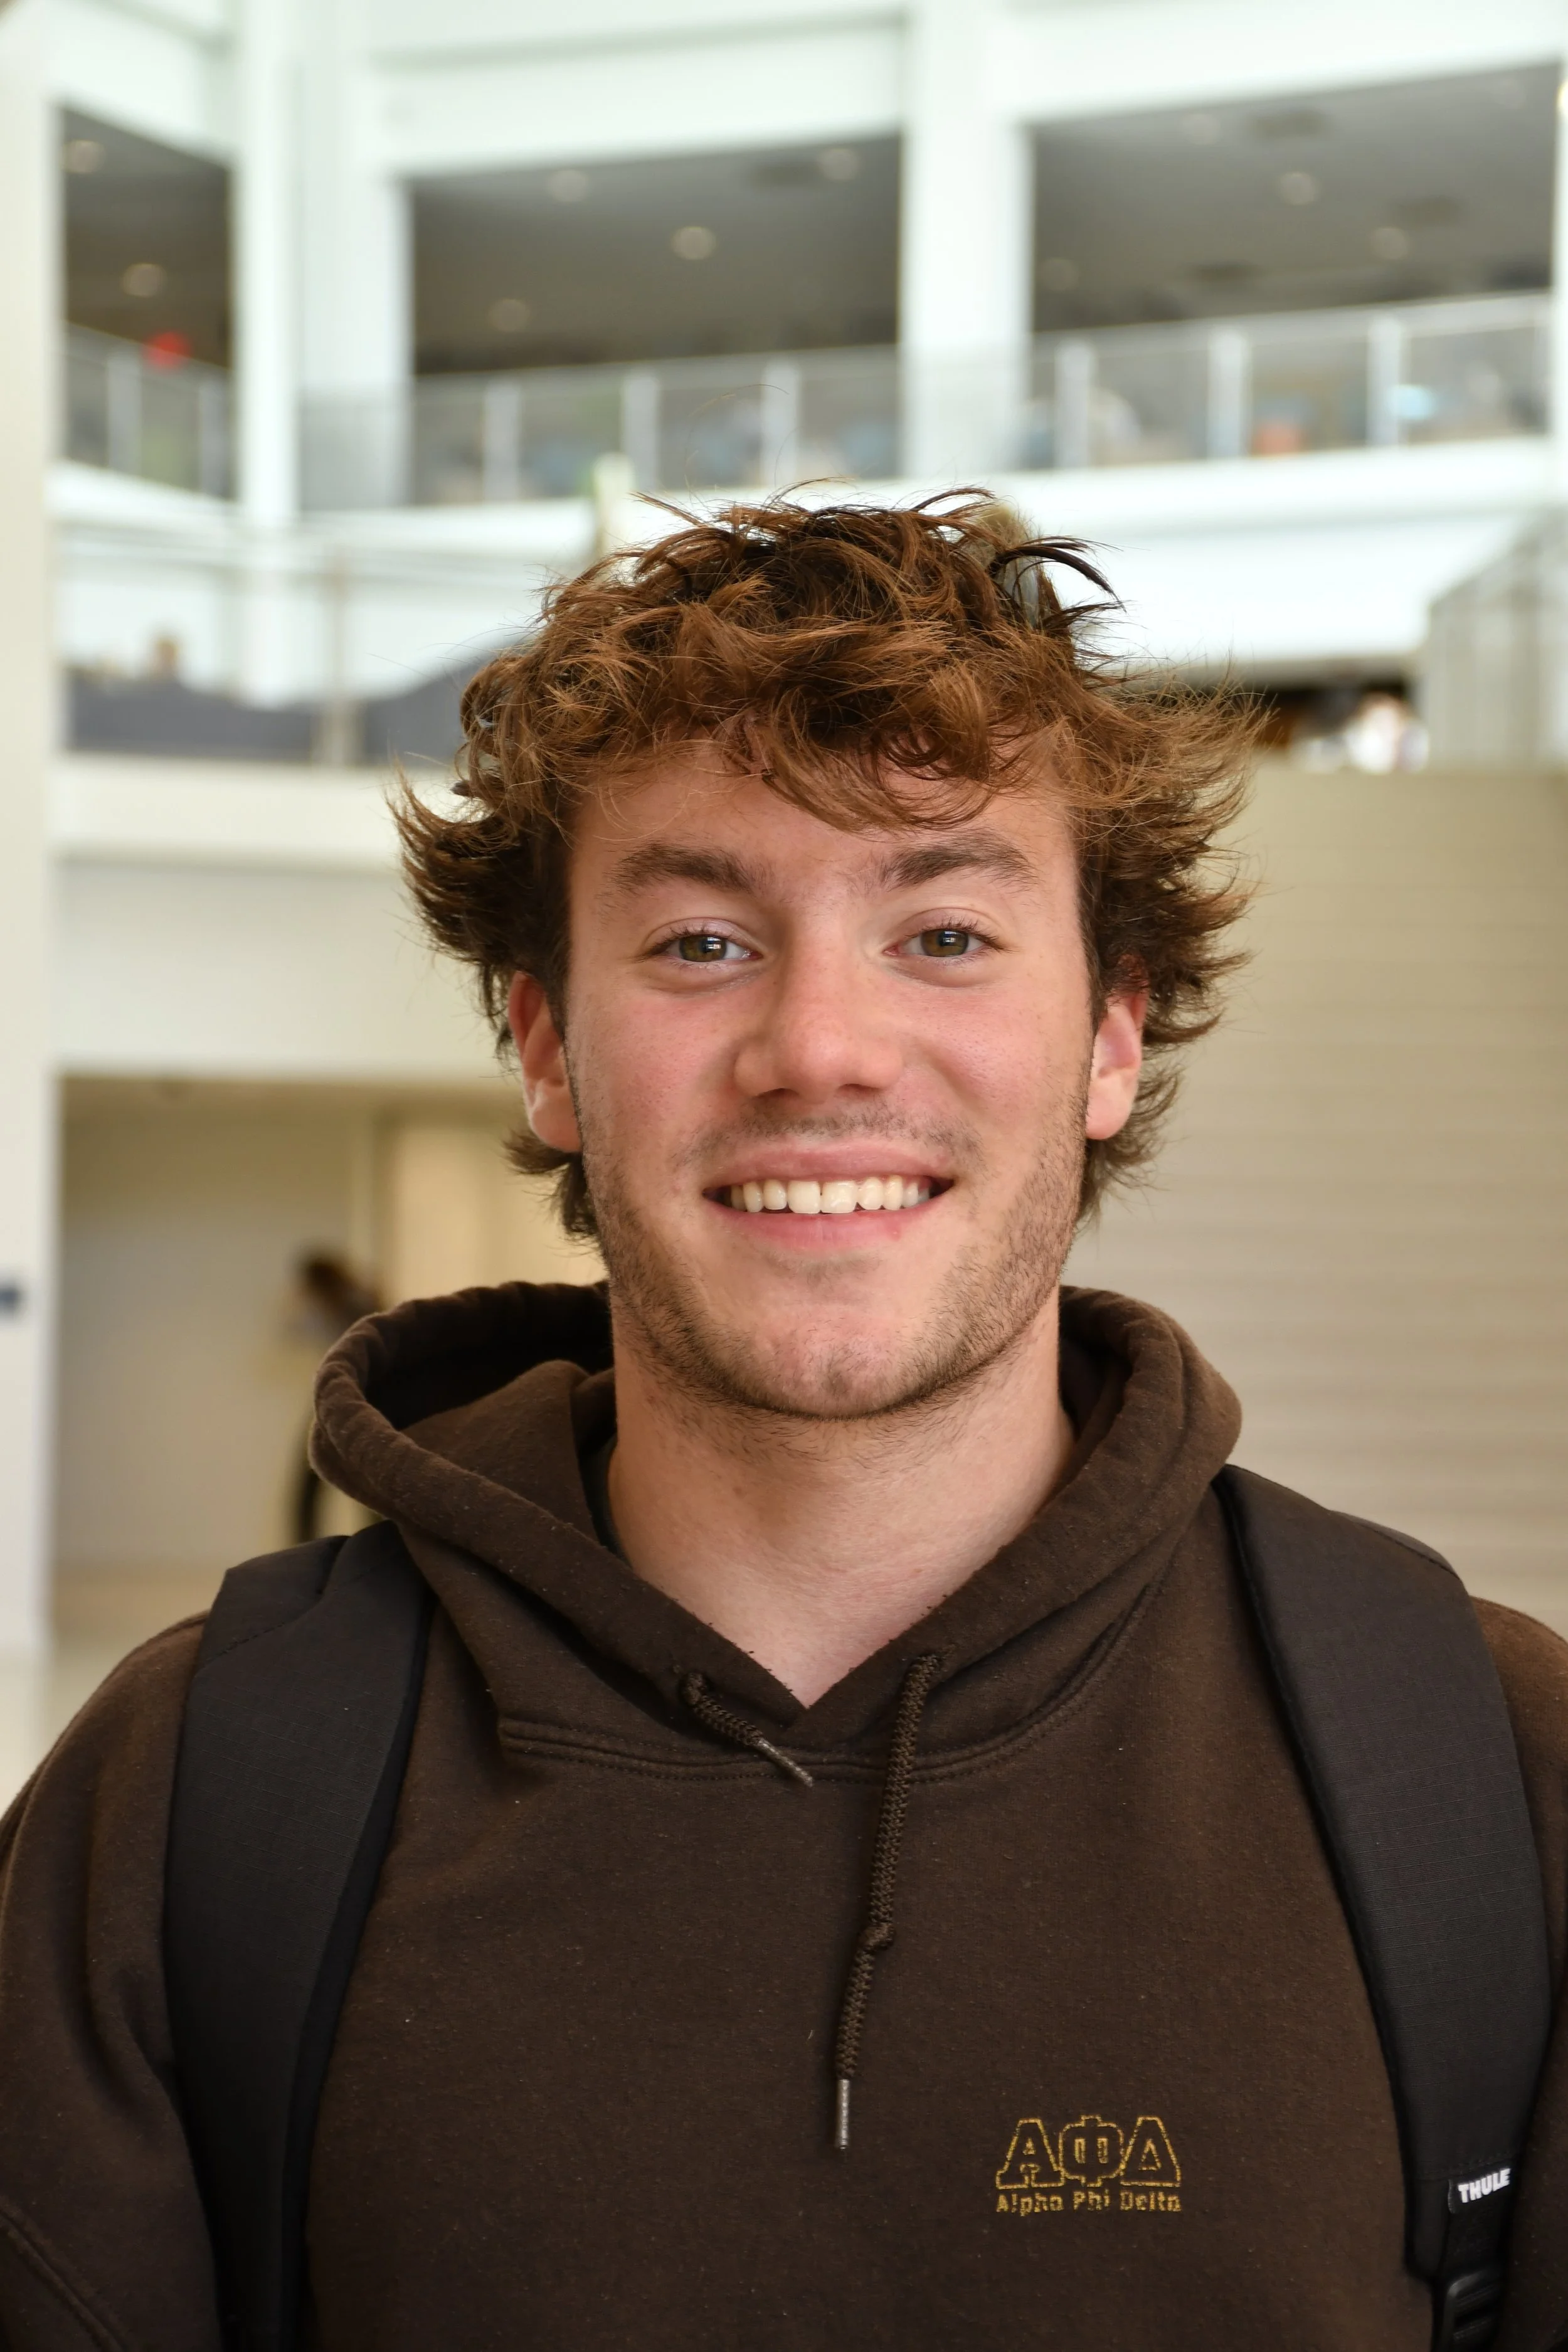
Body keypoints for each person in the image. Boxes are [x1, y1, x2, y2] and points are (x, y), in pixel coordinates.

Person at [1, 497, 1564, 2351]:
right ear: (548, 1049)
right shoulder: (193, 1801)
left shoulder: (1478, 1782)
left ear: (1111, 1039)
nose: (820, 1045)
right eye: (698, 941)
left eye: (949, 930)